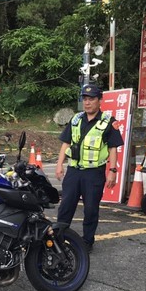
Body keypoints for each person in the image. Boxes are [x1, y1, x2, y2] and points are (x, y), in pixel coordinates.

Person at [55, 84, 124, 253]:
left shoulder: (108, 121)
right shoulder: (76, 119)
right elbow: (66, 143)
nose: (87, 103)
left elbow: (113, 147)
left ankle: (87, 242)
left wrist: (113, 171)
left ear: (100, 100)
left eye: (91, 99)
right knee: (66, 206)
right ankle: (59, 238)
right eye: (85, 99)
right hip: (74, 171)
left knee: (91, 208)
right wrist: (59, 164)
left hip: (94, 173)